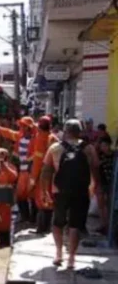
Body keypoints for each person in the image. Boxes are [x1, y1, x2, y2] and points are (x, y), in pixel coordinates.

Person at [41, 119, 102, 270]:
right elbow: (95, 169)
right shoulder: (89, 148)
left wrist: (44, 191)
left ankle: (58, 253)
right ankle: (72, 259)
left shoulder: (55, 147)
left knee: (58, 222)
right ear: (80, 131)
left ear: (65, 131)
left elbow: (46, 172)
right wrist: (95, 187)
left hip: (59, 191)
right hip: (81, 191)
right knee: (75, 225)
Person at [0, 116, 37, 224]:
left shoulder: (36, 139)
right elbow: (8, 132)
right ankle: (25, 217)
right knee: (21, 194)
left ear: (28, 127)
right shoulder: (20, 136)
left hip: (31, 171)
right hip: (23, 170)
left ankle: (33, 218)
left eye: (23, 126)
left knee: (32, 194)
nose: (20, 127)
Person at [31, 115, 59, 235]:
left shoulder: (40, 139)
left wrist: (34, 178)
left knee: (41, 200)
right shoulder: (54, 138)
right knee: (49, 199)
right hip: (53, 174)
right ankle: (46, 227)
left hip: (42, 174)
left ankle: (42, 227)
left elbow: (38, 161)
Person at [95, 133, 114, 234]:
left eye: (105, 145)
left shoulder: (114, 156)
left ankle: (109, 226)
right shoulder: (99, 155)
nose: (103, 148)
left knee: (109, 205)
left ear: (109, 145)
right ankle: (104, 225)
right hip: (102, 183)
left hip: (112, 184)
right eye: (102, 146)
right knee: (101, 205)